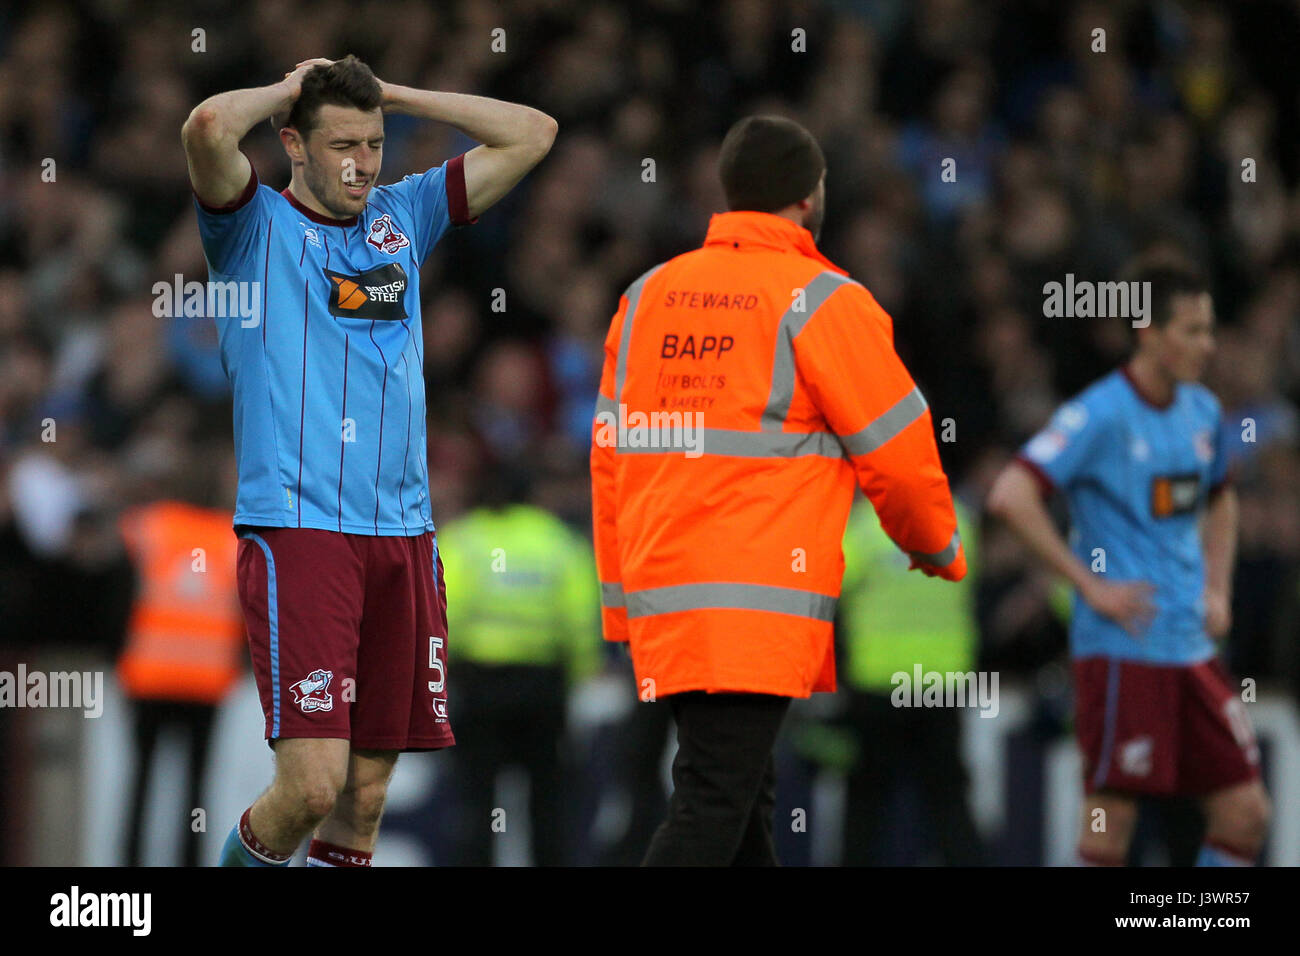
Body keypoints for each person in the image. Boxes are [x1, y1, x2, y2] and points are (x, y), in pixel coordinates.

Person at [181, 55, 556, 867]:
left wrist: (401, 95)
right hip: (301, 529)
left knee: (364, 798)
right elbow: (208, 127)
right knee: (312, 787)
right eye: (341, 144)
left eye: (375, 144)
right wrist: (288, 87)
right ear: (294, 145)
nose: (361, 163)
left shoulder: (402, 215)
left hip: (405, 536)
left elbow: (534, 134)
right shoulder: (251, 229)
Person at [590, 114, 966, 867]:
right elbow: (897, 453)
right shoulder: (823, 301)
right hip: (752, 606)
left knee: (740, 806)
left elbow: (610, 459)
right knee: (712, 806)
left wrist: (621, 599)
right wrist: (935, 545)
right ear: (808, 195)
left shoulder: (646, 297)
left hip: (670, 599)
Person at [987, 260, 1272, 866]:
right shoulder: (1100, 414)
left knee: (1246, 814)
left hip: (1191, 650)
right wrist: (1088, 585)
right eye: (1192, 331)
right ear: (1148, 331)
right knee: (1108, 821)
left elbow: (1221, 499)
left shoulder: (1201, 412)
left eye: (1209, 330)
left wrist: (1217, 589)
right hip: (1122, 652)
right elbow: (1010, 495)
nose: (1208, 345)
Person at [436, 468, 601, 866]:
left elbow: (442, 615)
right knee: (548, 801)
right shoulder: (558, 541)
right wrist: (580, 675)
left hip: (478, 685)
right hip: (542, 686)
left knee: (477, 801)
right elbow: (581, 619)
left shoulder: (463, 539)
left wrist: (445, 677)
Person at [837, 497, 985, 865]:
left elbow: (830, 586)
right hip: (941, 683)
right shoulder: (957, 519)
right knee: (948, 798)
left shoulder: (863, 526)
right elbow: (973, 580)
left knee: (866, 802)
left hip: (878, 683)